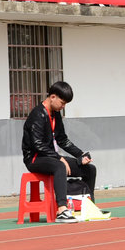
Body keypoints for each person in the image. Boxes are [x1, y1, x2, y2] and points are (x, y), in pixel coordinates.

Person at [21, 81, 96, 224]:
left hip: (51, 157)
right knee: (60, 166)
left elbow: (62, 140)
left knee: (90, 169)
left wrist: (81, 155)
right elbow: (37, 144)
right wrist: (59, 158)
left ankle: (89, 207)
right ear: (52, 97)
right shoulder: (37, 114)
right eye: (62, 103)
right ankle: (62, 210)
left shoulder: (55, 115)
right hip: (35, 159)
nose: (63, 106)